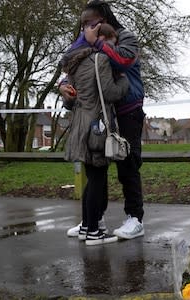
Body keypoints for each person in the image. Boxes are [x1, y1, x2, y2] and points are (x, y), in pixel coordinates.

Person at [60, 0, 146, 240]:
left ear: (104, 20)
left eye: (91, 23)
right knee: (96, 167)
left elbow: (123, 61)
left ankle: (135, 218)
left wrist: (97, 43)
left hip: (126, 109)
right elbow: (69, 63)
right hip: (99, 113)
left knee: (127, 163)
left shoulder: (126, 37)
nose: (86, 28)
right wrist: (63, 85)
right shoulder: (86, 40)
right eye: (83, 24)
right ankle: (93, 219)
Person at [61, 23, 128, 246]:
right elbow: (110, 92)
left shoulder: (75, 63)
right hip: (97, 125)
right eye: (112, 43)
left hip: (80, 123)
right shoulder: (101, 60)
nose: (114, 48)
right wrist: (124, 82)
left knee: (92, 178)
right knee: (98, 178)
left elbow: (69, 100)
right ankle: (93, 232)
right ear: (103, 39)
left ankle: (87, 228)